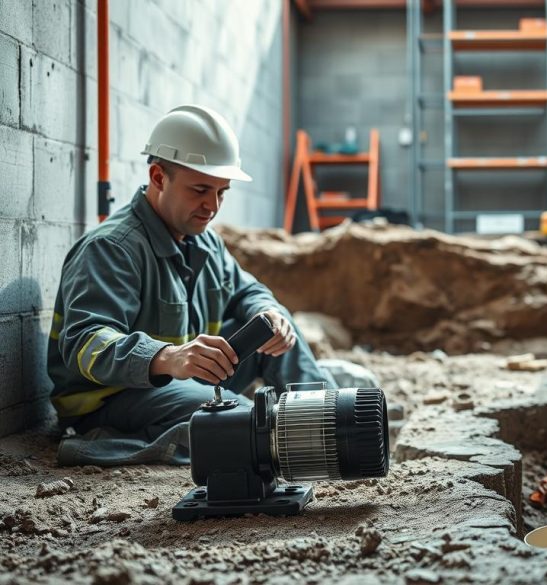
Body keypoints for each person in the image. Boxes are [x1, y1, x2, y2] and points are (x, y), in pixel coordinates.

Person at [47, 104, 334, 465]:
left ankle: (329, 425)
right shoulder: (112, 248)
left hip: (185, 378)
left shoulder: (203, 241)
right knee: (239, 424)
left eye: (221, 192)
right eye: (200, 189)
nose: (211, 206)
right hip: (111, 398)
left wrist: (269, 314)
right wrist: (168, 357)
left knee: (274, 329)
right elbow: (87, 343)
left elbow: (247, 291)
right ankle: (105, 442)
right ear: (158, 177)